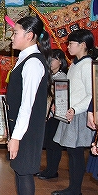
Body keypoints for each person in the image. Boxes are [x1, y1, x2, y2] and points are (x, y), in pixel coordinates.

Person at [0, 16, 50, 195]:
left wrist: (16, 137)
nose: (12, 37)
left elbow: (27, 104)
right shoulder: (25, 58)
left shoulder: (34, 63)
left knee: (25, 171)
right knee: (20, 170)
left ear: (29, 36)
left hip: (27, 129)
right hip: (21, 127)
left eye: (16, 33)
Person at [51, 29, 98, 195]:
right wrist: (60, 102)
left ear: (83, 45)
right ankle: (73, 188)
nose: (68, 47)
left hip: (78, 114)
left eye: (71, 43)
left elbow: (91, 94)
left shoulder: (87, 65)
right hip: (71, 112)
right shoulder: (76, 64)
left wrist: (75, 109)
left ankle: (75, 190)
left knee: (76, 153)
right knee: (72, 153)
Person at [36, 49, 68, 179]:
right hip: (49, 115)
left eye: (53, 59)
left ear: (60, 62)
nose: (50, 62)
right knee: (49, 143)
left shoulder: (61, 77)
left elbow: (60, 98)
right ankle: (49, 169)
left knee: (54, 144)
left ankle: (52, 170)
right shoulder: (51, 75)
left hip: (56, 115)